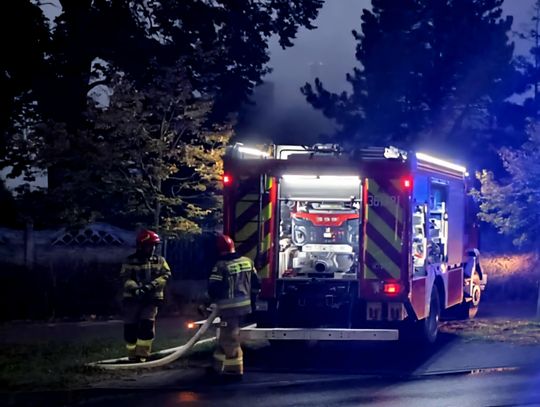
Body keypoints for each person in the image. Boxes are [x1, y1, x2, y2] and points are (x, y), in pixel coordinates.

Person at [208, 234, 260, 378]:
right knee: (226, 336)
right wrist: (253, 301)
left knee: (229, 338)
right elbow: (256, 284)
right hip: (245, 306)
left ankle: (233, 370)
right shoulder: (247, 262)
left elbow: (214, 288)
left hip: (228, 308)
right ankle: (218, 366)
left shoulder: (221, 266)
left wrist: (212, 302)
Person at [120, 229, 171, 362]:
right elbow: (125, 278)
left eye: (154, 245)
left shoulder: (160, 260)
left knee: (146, 326)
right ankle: (132, 355)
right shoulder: (130, 260)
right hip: (132, 300)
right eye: (149, 245)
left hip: (151, 299)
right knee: (130, 328)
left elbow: (166, 275)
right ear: (141, 246)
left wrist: (152, 285)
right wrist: (135, 288)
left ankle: (143, 355)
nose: (152, 248)